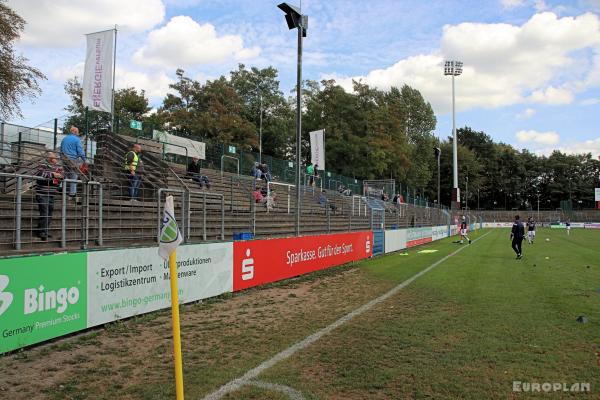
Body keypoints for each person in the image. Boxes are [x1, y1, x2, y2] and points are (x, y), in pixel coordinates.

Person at [35, 152, 63, 241]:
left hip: (51, 193)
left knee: (49, 213)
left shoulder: (58, 167)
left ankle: (43, 230)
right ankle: (42, 232)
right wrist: (53, 175)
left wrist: (60, 176)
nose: (56, 159)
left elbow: (63, 176)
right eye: (54, 158)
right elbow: (39, 174)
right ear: (50, 159)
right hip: (42, 193)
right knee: (45, 212)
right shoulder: (43, 165)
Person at [60, 126, 86, 198]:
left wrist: (61, 158)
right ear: (74, 132)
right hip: (73, 159)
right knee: (74, 176)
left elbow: (60, 150)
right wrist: (84, 160)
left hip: (64, 159)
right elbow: (80, 151)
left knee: (66, 175)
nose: (78, 133)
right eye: (77, 132)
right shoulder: (77, 140)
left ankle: (62, 189)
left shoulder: (64, 139)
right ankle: (72, 193)